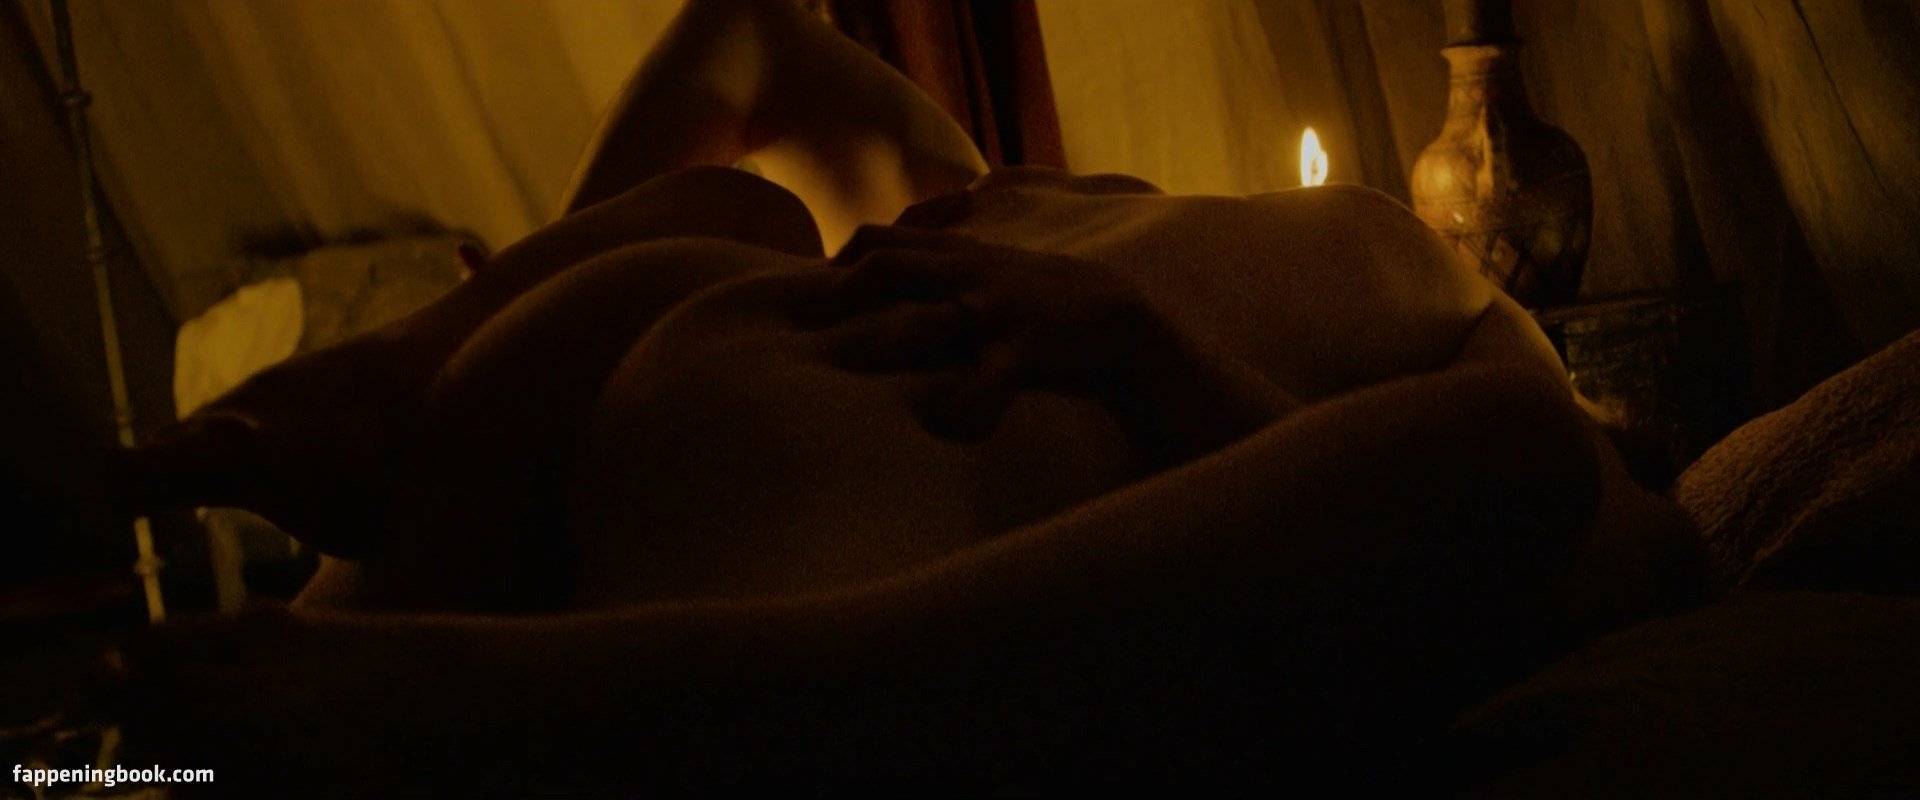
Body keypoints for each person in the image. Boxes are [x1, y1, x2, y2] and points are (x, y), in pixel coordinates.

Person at [114, 0, 1701, 794]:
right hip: (632, 350)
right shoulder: (1047, 197)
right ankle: (386, 398)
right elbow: (754, 39)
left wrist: (1132, 338)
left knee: (1516, 446)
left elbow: (1575, 564)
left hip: (821, 532)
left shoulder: (1485, 362)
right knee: (739, 208)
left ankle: (464, 646)